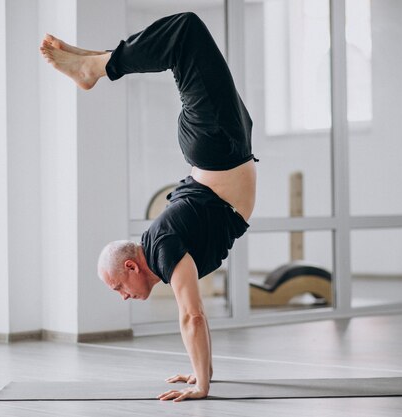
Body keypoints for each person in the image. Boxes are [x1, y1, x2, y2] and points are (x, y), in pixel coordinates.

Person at [40, 12, 257, 402]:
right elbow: (197, 315)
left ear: (130, 266)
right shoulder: (163, 252)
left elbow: (192, 315)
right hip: (225, 146)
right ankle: (98, 61)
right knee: (185, 45)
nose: (123, 296)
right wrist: (199, 371)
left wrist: (203, 388)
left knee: (185, 32)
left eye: (118, 287)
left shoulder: (162, 249)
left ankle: (98, 65)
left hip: (218, 146)